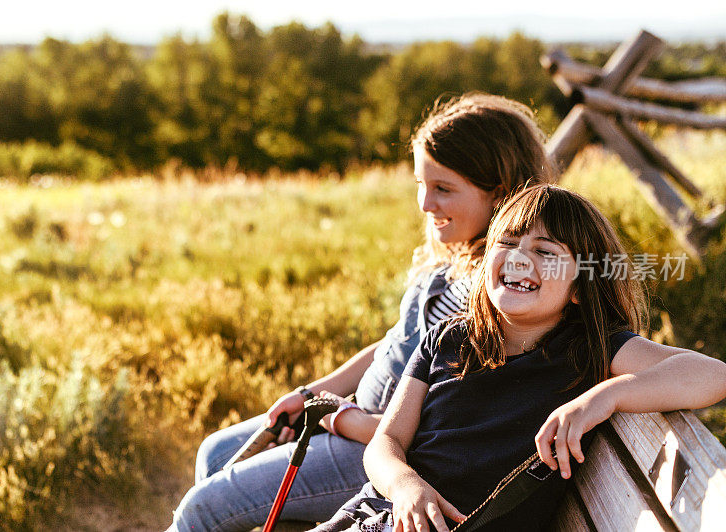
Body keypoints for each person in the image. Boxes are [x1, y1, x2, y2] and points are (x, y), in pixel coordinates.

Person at [168, 93, 555, 531]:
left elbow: (447, 427)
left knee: (204, 507)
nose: (426, 205)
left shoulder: (502, 291)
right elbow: (394, 346)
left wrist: (344, 419)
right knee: (214, 453)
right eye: (420, 185)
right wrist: (314, 393)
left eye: (443, 189)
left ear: (501, 193)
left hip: (381, 452)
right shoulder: (454, 257)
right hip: (349, 421)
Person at [314, 184, 726, 532]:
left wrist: (604, 397)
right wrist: (405, 485)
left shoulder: (589, 349)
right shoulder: (449, 338)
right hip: (376, 514)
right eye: (507, 244)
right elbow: (385, 442)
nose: (518, 258)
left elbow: (712, 374)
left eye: (545, 251)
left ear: (581, 286)